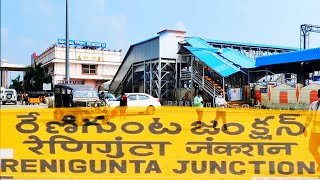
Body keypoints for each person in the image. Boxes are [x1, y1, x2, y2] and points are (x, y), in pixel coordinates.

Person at [304, 89, 320, 172]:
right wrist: (305, 127)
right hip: (314, 132)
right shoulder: (313, 104)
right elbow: (309, 117)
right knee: (311, 149)